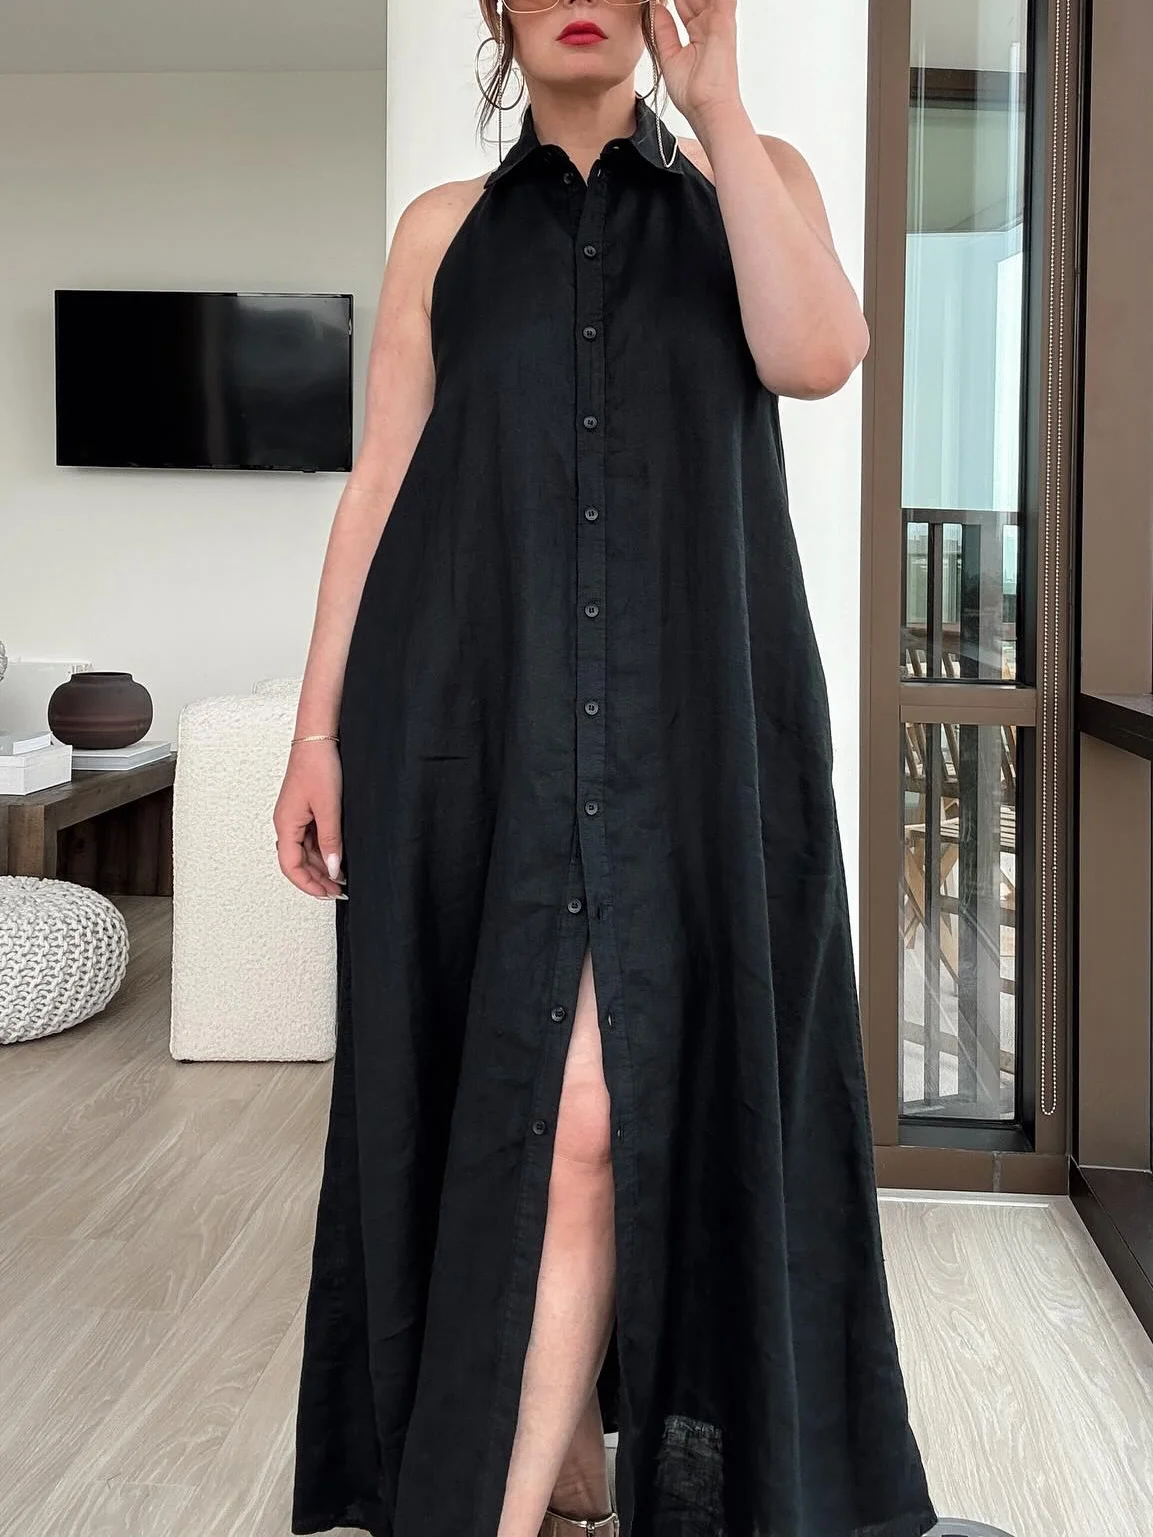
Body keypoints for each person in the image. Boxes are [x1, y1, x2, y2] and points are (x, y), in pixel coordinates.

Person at [277, 3, 939, 1536]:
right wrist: (317, 734)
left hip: (695, 739)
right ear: (498, 11)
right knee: (523, 1101)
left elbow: (819, 354)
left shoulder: (753, 180)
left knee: (603, 1107)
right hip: (475, 735)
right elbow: (379, 488)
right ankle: (559, 1464)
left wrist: (718, 104)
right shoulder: (441, 233)